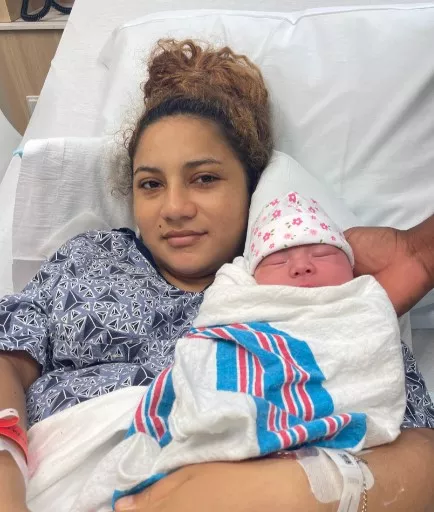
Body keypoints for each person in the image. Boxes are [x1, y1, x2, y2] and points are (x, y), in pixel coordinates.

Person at [0, 38, 431, 512]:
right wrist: (5, 464)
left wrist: (293, 487)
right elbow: (7, 354)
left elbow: (415, 443)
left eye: (204, 178)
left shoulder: (308, 282)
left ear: (251, 183)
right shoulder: (90, 257)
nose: (175, 208)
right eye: (150, 184)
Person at [95, 191, 404, 510]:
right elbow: (201, 363)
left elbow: (373, 369)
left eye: (322, 254)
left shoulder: (360, 307)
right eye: (279, 260)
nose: (301, 266)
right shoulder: (239, 306)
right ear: (252, 278)